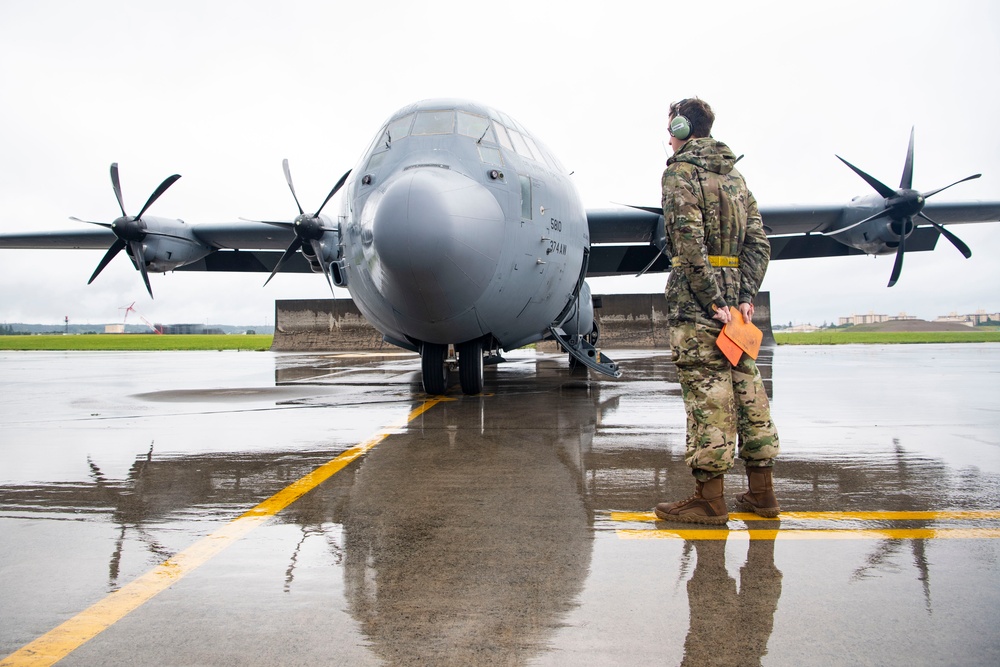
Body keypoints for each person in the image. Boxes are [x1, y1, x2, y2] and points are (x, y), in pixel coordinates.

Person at [653, 97, 781, 524]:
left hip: (699, 305)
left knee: (709, 398)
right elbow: (759, 243)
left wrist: (713, 302)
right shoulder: (736, 178)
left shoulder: (679, 174)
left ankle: (709, 500)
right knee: (749, 393)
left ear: (682, 128)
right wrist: (743, 297)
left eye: (670, 125)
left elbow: (687, 245)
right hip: (737, 311)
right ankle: (762, 494)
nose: (668, 134)